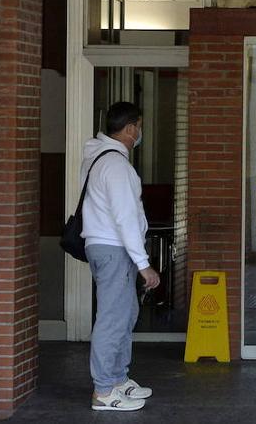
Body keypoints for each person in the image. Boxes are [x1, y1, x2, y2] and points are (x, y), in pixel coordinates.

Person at [81, 102, 160, 412]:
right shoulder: (116, 165)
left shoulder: (98, 157)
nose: (139, 132)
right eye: (138, 126)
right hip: (114, 249)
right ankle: (103, 391)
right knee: (113, 320)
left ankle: (116, 379)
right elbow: (125, 216)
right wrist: (144, 265)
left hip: (108, 247)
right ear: (130, 129)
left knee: (124, 315)